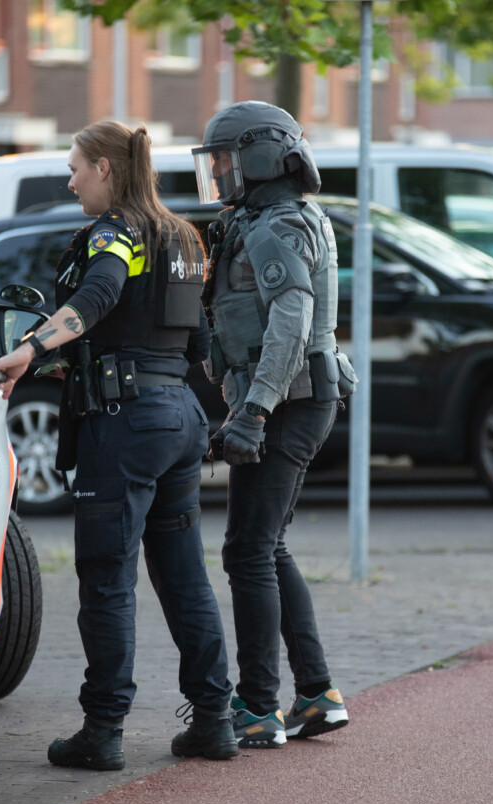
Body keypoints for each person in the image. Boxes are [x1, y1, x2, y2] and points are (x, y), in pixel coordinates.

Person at [0, 120, 237, 770]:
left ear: (105, 168)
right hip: (178, 418)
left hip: (124, 420)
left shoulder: (117, 234)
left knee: (106, 576)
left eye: (76, 168)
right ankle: (214, 718)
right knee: (183, 572)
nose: (70, 180)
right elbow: (198, 343)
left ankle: (103, 728)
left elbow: (98, 295)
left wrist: (30, 348)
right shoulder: (183, 237)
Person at [191, 101, 357, 748]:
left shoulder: (280, 227)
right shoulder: (257, 220)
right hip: (287, 398)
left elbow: (291, 322)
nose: (221, 173)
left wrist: (254, 411)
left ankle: (258, 704)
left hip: (291, 401)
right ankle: (315, 694)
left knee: (247, 550)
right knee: (265, 546)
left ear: (262, 158)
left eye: (228, 160)